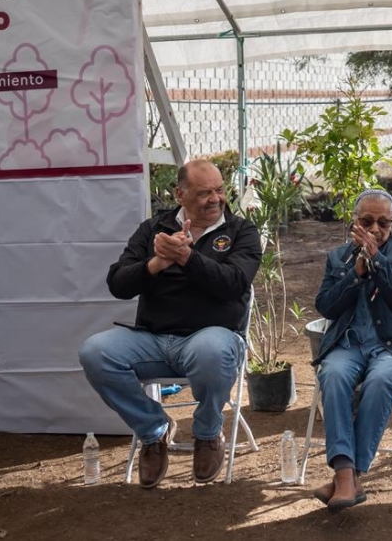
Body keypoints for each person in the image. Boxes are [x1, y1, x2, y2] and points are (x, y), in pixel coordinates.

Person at [79, 159, 261, 488]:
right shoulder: (154, 229)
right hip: (153, 339)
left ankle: (208, 433)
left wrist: (188, 258)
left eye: (219, 190)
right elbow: (118, 283)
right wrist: (156, 263)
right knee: (95, 352)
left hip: (212, 338)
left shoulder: (241, 232)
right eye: (204, 193)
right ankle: (153, 430)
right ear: (180, 194)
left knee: (211, 350)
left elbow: (234, 284)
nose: (216, 199)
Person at [310, 189, 392, 512]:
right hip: (350, 343)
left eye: (383, 223)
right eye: (367, 221)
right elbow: (326, 307)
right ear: (354, 222)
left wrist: (377, 261)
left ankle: (347, 477)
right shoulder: (338, 256)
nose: (375, 229)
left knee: (380, 381)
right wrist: (355, 274)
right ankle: (346, 474)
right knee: (333, 374)